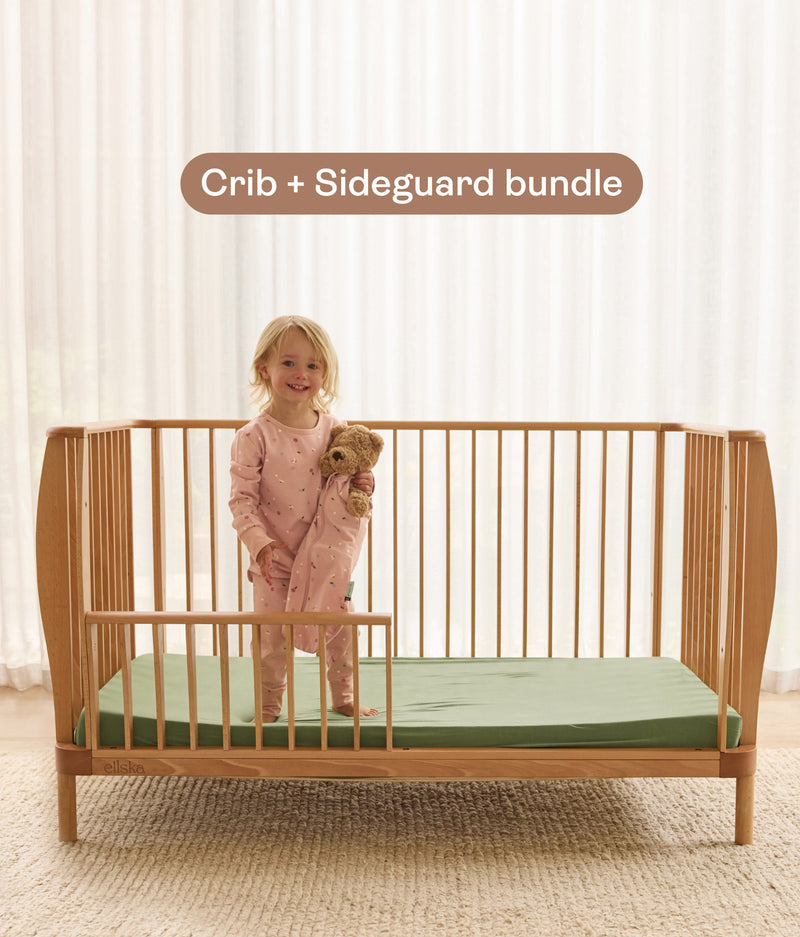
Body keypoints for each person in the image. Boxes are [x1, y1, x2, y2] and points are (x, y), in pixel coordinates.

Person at [229, 315, 379, 723]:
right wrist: (259, 543)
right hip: (274, 561)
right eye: (289, 363)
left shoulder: (335, 429)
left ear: (324, 373)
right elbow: (242, 501)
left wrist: (364, 483)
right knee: (272, 640)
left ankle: (344, 696)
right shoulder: (254, 436)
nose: (301, 374)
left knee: (342, 631)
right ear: (265, 368)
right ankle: (269, 705)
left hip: (327, 558)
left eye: (313, 366)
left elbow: (349, 483)